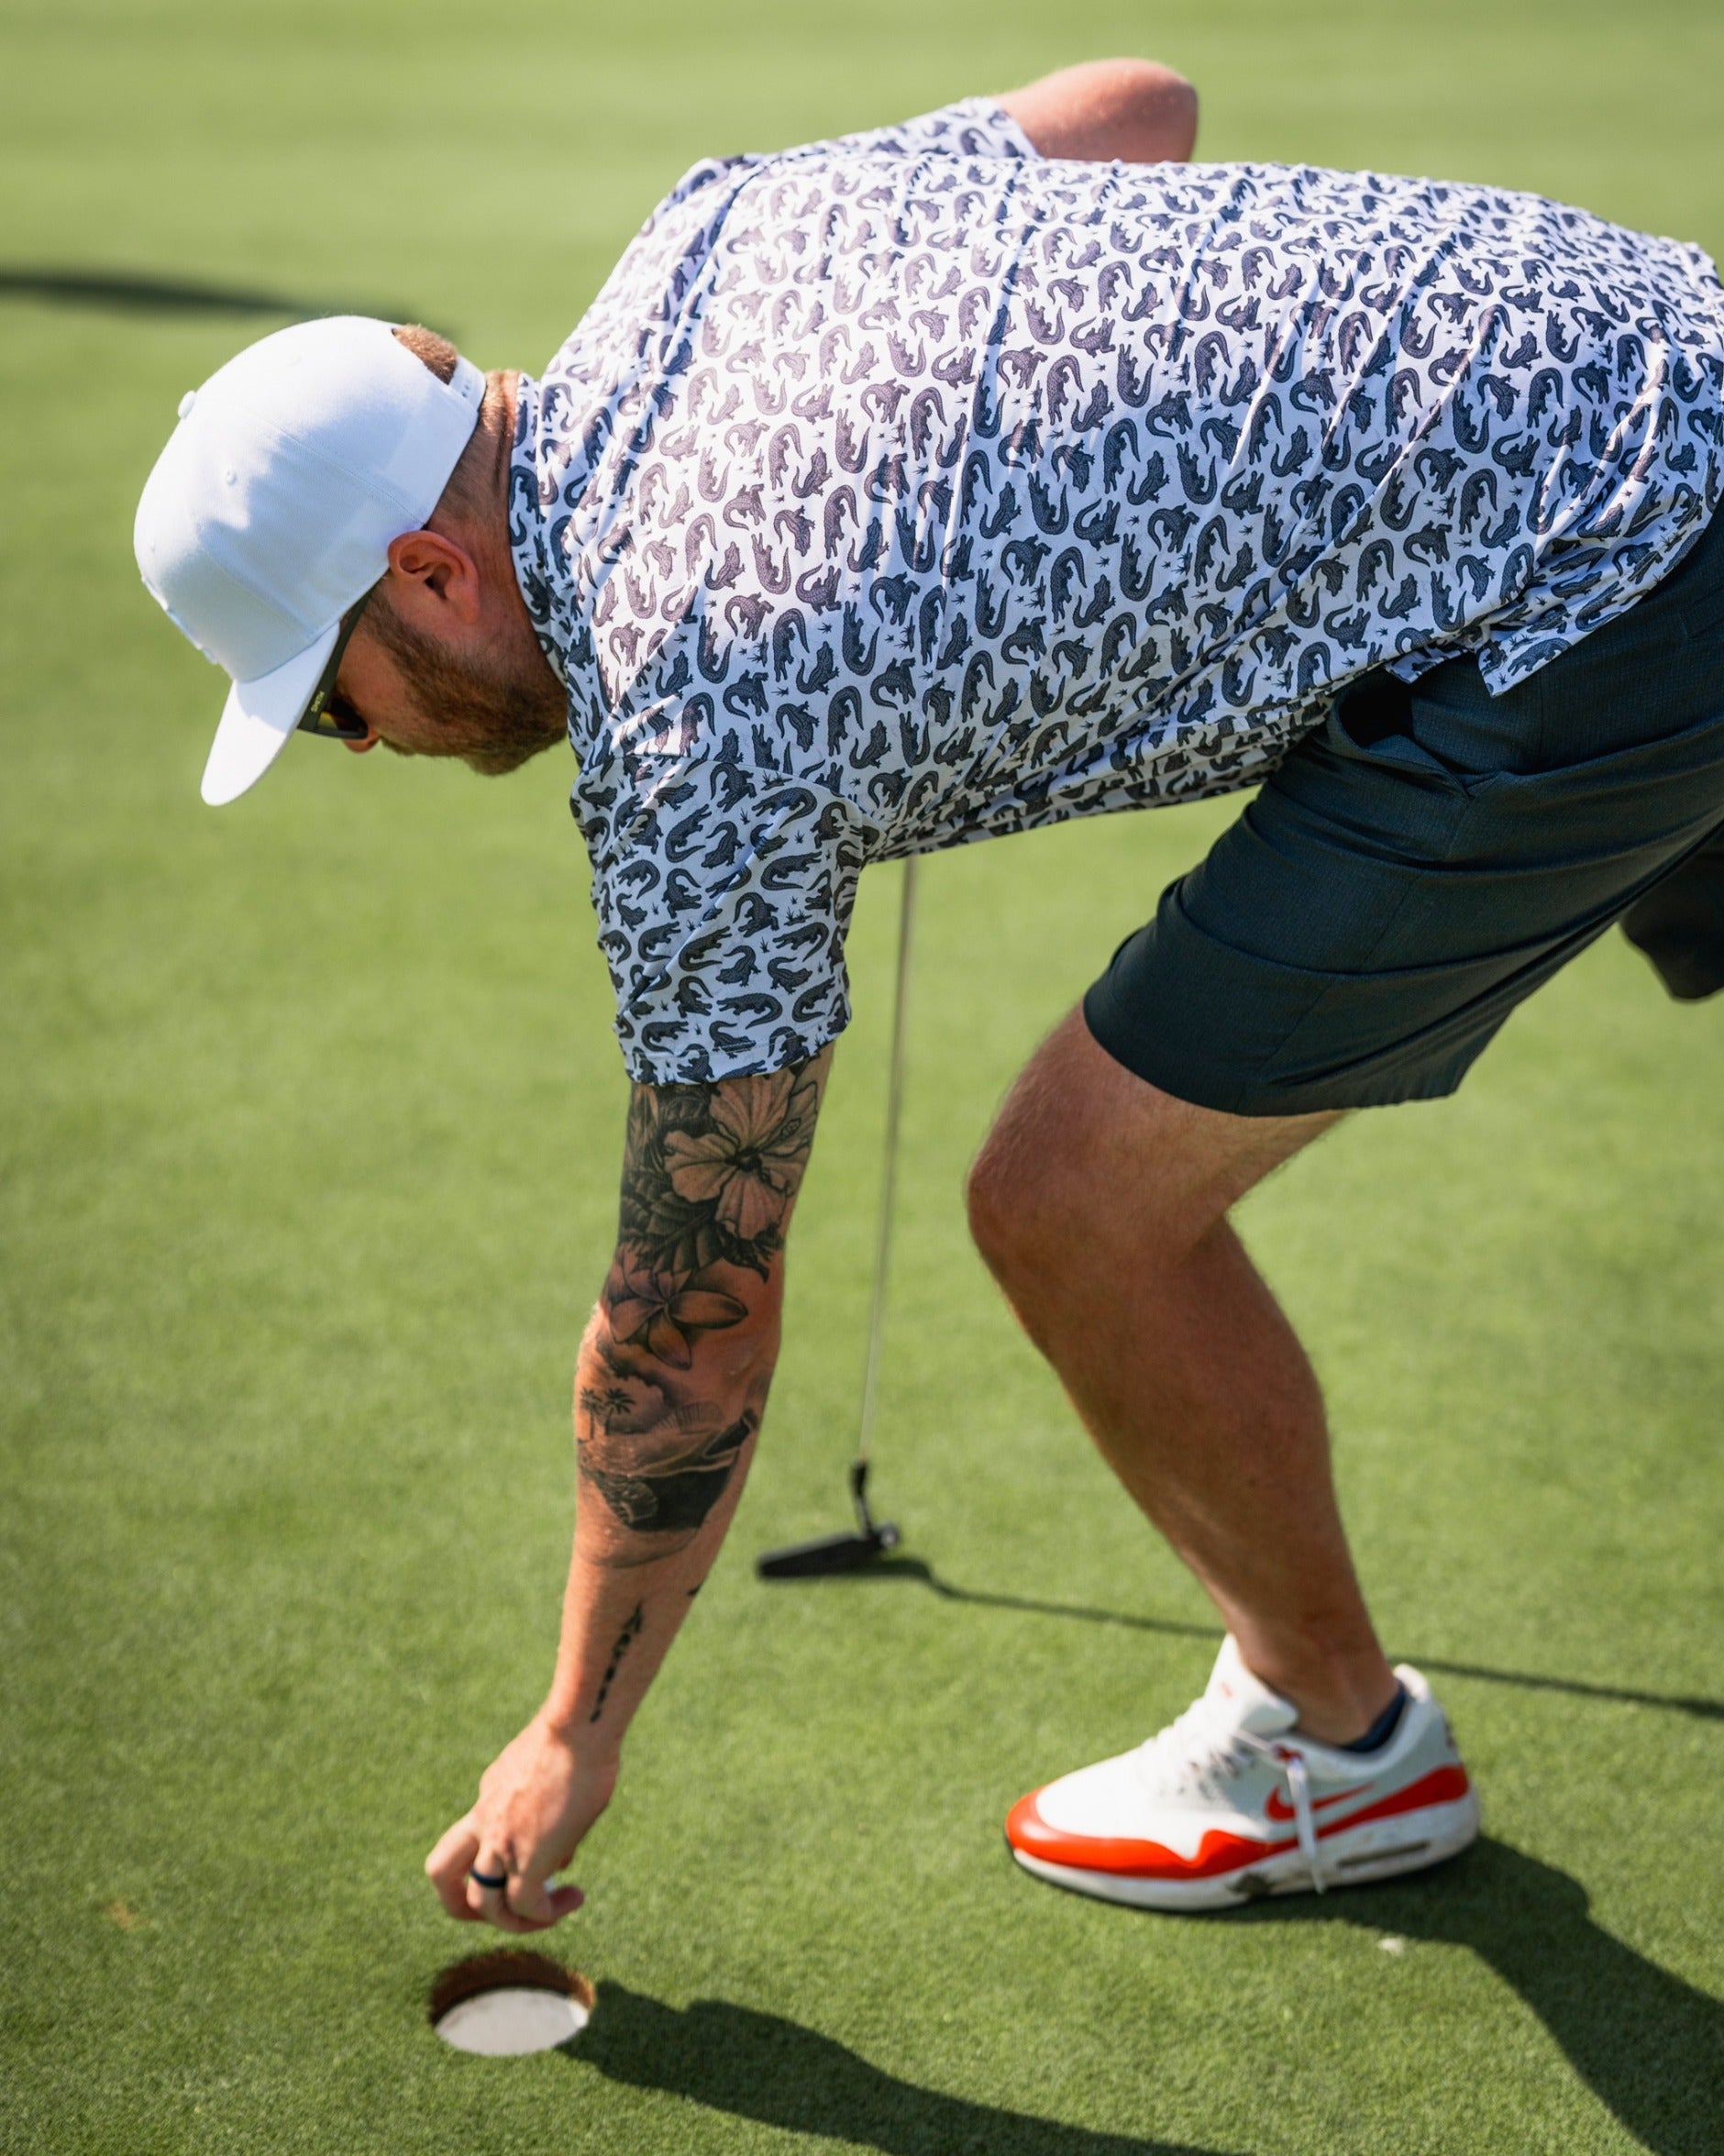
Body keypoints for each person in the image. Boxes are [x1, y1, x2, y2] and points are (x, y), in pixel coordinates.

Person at [133, 56, 1724, 1929]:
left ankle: (1339, 1748)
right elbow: (1139, 105)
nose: (348, 744)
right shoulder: (708, 233)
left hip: (1605, 585)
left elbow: (686, 1320)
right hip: (1671, 345)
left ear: (430, 572)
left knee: (1070, 1210)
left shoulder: (683, 725)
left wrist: (571, 1729)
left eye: (327, 700)